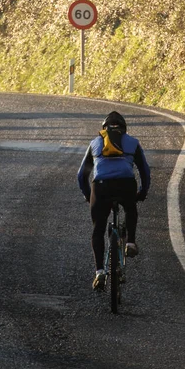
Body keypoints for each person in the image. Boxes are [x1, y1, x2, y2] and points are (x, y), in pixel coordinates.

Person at [77, 111, 151, 290]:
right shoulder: (132, 143)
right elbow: (144, 171)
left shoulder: (95, 142)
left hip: (101, 186)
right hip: (126, 184)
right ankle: (131, 242)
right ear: (124, 129)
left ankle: (100, 271)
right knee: (131, 208)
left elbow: (82, 175)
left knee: (98, 229)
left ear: (104, 128)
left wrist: (89, 196)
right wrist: (142, 191)